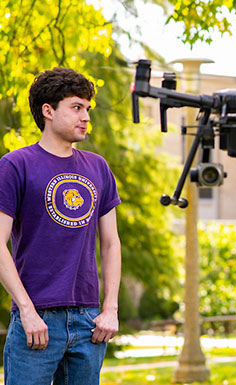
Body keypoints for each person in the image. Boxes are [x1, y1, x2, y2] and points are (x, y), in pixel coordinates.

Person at [0, 67, 121, 384]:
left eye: (88, 109)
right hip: (36, 320)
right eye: (77, 107)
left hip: (88, 322)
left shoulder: (98, 167)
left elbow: (110, 244)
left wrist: (110, 309)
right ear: (48, 111)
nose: (86, 118)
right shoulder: (16, 165)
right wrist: (26, 311)